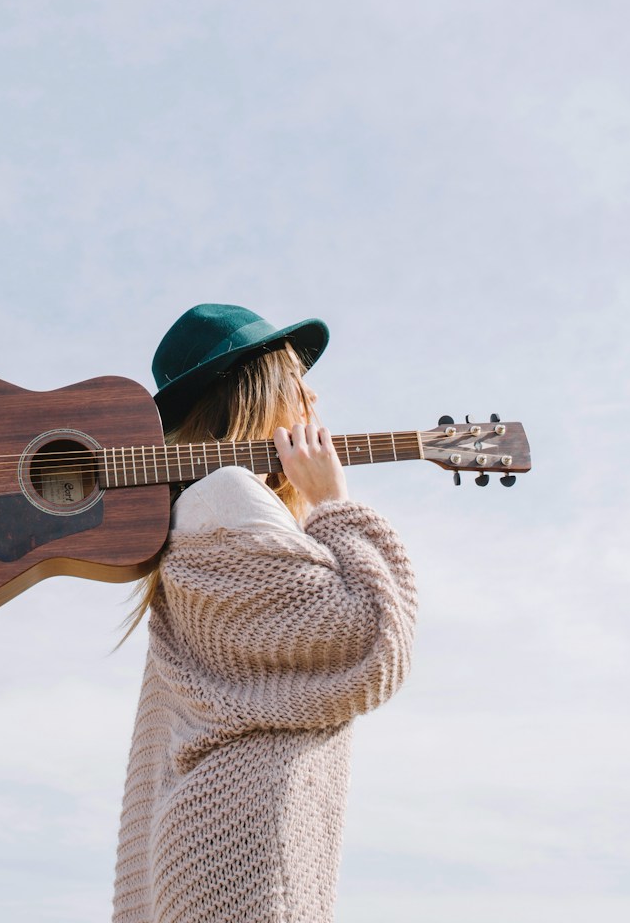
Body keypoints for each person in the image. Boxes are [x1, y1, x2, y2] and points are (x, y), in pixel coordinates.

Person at [111, 304, 417, 923]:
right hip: (245, 853)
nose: (313, 410)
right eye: (302, 390)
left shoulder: (193, 518)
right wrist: (334, 503)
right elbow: (369, 639)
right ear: (267, 396)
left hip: (211, 844)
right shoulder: (227, 497)